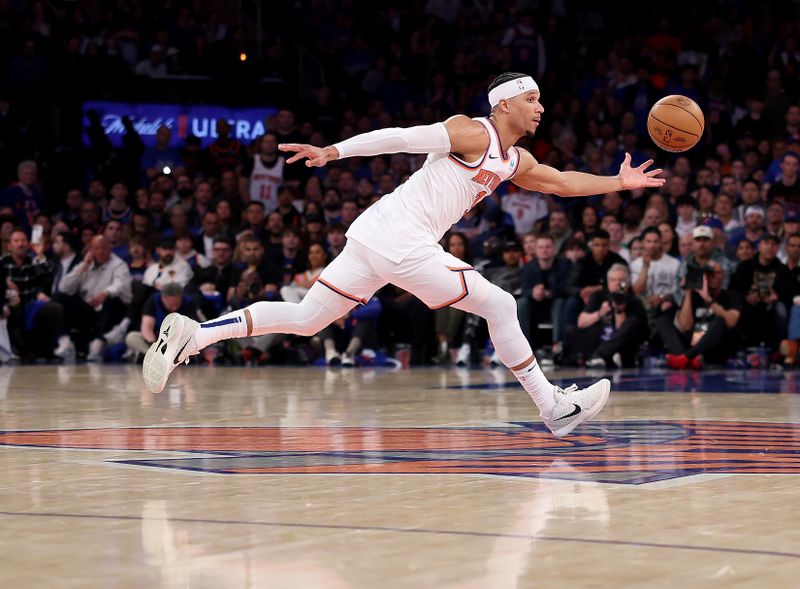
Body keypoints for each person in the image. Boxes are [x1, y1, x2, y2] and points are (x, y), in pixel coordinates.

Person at [142, 72, 664, 438]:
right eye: (533, 99)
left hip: (377, 235)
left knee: (304, 320)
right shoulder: (471, 130)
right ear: (505, 103)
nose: (541, 108)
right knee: (501, 305)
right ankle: (552, 407)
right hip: (403, 240)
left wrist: (618, 182)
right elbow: (401, 138)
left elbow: (563, 182)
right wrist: (334, 151)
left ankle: (196, 333)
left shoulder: (514, 159)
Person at [564, 264, 647, 368]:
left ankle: (600, 355)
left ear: (628, 283)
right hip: (599, 339)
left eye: (621, 280)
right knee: (571, 330)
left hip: (620, 345)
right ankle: (601, 357)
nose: (617, 283)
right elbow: (581, 323)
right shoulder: (598, 296)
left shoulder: (634, 301)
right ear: (608, 282)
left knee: (632, 322)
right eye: (613, 280)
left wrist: (619, 311)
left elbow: (623, 332)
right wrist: (600, 313)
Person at [662, 261, 742, 369]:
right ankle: (686, 358)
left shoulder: (731, 296)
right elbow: (686, 326)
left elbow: (732, 322)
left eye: (717, 273)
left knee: (720, 321)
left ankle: (685, 358)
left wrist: (708, 299)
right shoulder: (694, 296)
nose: (713, 276)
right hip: (695, 339)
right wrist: (688, 293)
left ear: (723, 276)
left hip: (716, 347)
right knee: (663, 320)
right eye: (709, 273)